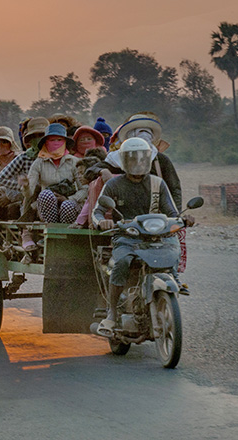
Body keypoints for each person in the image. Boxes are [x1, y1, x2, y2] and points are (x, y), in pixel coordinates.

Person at [91, 138, 194, 338]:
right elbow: (97, 212)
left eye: (141, 158)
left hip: (156, 237)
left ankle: (174, 278)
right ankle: (112, 313)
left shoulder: (158, 183)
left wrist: (184, 219)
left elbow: (172, 213)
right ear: (123, 161)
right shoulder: (113, 184)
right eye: (132, 158)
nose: (137, 162)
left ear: (148, 159)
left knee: (173, 245)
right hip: (126, 237)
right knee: (121, 262)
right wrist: (103, 221)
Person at [26, 123, 82, 227]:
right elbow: (29, 192)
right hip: (47, 206)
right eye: (52, 140)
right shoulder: (39, 163)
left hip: (69, 203)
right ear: (46, 143)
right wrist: (25, 186)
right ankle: (50, 228)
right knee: (45, 195)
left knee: (67, 205)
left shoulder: (74, 161)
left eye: (59, 140)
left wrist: (70, 199)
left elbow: (84, 189)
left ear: (65, 142)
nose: (56, 143)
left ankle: (66, 233)